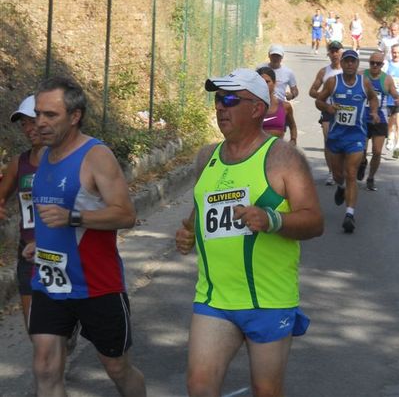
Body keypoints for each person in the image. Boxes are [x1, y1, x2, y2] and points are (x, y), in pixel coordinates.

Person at [175, 68, 323, 397]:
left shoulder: (283, 157)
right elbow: (201, 210)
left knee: (266, 390)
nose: (220, 108)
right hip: (214, 298)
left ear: (256, 108)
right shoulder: (206, 157)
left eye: (229, 99)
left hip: (268, 300)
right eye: (217, 99)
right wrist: (188, 232)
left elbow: (314, 221)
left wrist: (273, 220)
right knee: (199, 387)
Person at [26, 76, 146, 396]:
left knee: (117, 367)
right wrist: (40, 245)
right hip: (50, 281)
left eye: (50, 115)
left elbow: (126, 214)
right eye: (38, 114)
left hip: (96, 285)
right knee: (45, 367)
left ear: (74, 116)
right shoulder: (43, 158)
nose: (40, 122)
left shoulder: (96, 156)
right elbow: (53, 219)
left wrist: (74, 218)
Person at [315, 50, 379, 233]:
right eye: (347, 61)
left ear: (357, 64)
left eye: (353, 61)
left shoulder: (364, 82)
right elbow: (318, 100)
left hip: (356, 136)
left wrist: (373, 112)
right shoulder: (333, 82)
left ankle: (349, 214)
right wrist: (327, 106)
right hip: (336, 136)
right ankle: (340, 187)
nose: (350, 64)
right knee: (338, 174)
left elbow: (373, 98)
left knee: (351, 173)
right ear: (342, 64)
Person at [0, 95, 44, 330]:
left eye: (32, 121)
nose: (28, 129)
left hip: (63, 251)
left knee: (60, 333)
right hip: (28, 253)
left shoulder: (69, 160)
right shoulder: (19, 163)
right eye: (24, 124)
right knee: (36, 331)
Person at [357, 52, 399, 191]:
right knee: (361, 151)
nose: (375, 66)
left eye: (378, 63)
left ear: (383, 65)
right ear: (369, 63)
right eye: (372, 63)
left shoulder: (387, 79)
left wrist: (398, 99)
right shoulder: (361, 75)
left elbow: (395, 94)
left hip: (380, 119)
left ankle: (371, 178)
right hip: (362, 118)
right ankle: (363, 162)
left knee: (377, 152)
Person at [308, 40, 344, 186]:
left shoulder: (349, 70)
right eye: (332, 51)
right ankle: (331, 172)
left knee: (344, 142)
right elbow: (312, 91)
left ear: (342, 52)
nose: (335, 54)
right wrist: (324, 96)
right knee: (329, 141)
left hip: (345, 111)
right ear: (328, 54)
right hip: (328, 110)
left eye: (337, 51)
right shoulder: (324, 71)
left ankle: (343, 169)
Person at [257, 66, 298, 145]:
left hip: (277, 152)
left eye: (267, 82)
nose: (264, 85)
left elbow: (293, 126)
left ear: (275, 83)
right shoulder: (250, 107)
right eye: (261, 82)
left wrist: (293, 140)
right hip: (256, 152)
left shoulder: (285, 107)